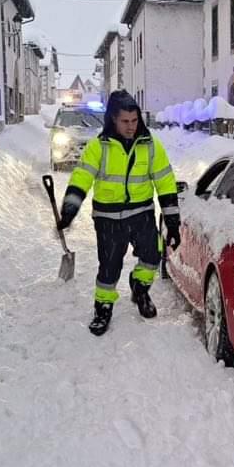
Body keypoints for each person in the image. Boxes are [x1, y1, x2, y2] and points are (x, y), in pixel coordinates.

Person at [58, 90, 181, 336]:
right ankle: (103, 306)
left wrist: (173, 222)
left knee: (153, 256)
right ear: (113, 119)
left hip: (141, 213)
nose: (130, 127)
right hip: (108, 218)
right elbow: (82, 177)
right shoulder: (98, 147)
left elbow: (165, 182)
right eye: (125, 121)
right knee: (109, 266)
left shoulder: (151, 145)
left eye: (134, 121)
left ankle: (140, 286)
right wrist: (70, 208)